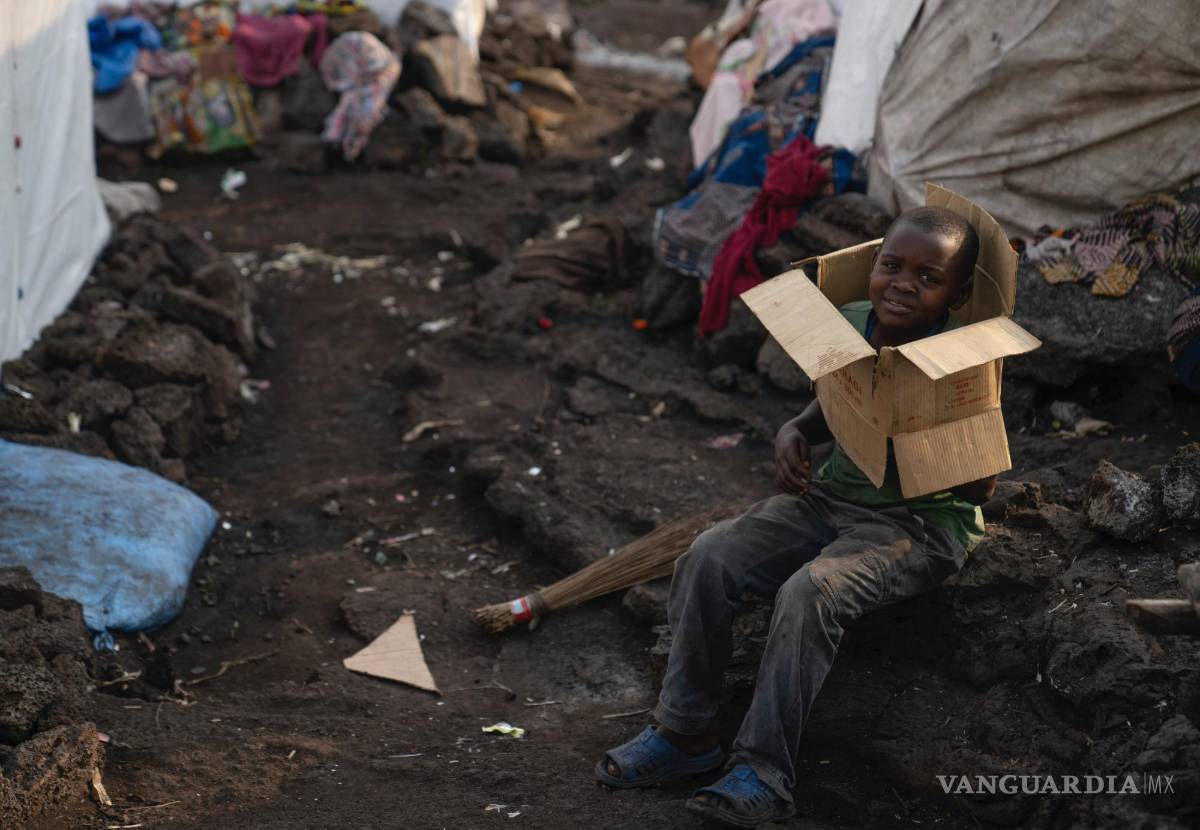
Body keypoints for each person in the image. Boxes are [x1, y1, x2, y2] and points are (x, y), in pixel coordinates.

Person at [595, 206, 998, 827]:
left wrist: (921, 432)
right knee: (708, 555)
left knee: (810, 590)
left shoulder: (965, 363)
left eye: (928, 276)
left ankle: (764, 771)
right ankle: (684, 736)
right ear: (872, 265)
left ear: (959, 292)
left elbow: (982, 487)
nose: (903, 284)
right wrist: (792, 430)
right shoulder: (852, 323)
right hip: (831, 500)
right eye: (892, 266)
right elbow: (832, 405)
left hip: (916, 525)